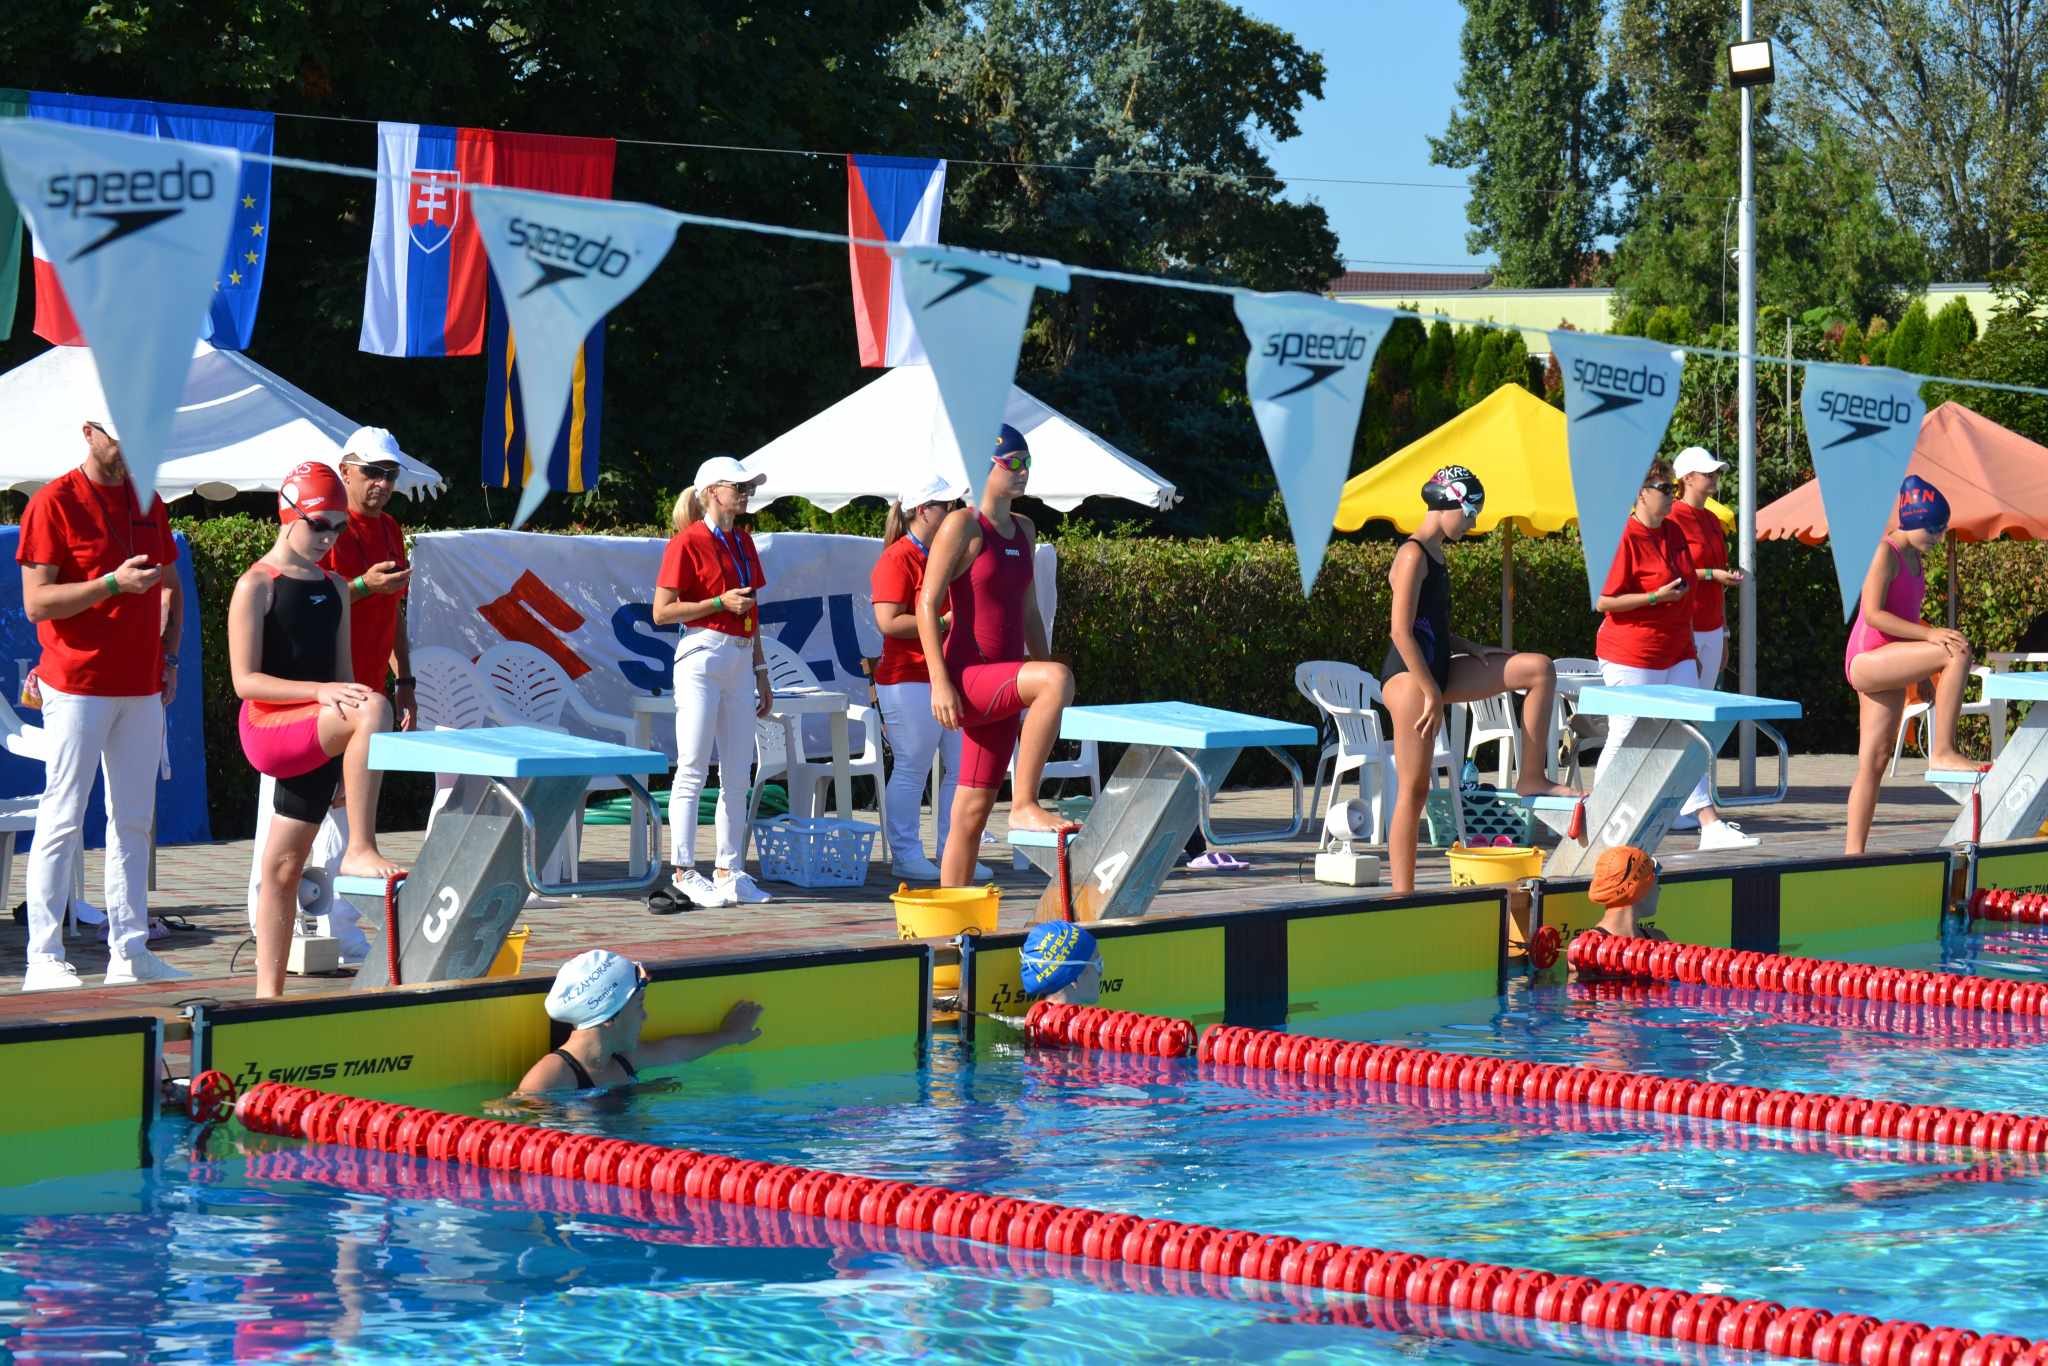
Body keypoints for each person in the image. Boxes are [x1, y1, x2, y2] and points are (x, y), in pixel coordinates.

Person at [16, 413, 188, 990]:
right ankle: (43, 956)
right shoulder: (54, 502)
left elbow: (170, 586)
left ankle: (130, 951)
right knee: (62, 815)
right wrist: (110, 584)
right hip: (75, 684)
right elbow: (37, 603)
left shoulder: (149, 500)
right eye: (121, 431)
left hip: (140, 686)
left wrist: (169, 658)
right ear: (89, 431)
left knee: (134, 821)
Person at [229, 462, 404, 998]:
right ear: (288, 515)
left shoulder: (333, 587)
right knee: (374, 706)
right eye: (319, 525)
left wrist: (348, 759)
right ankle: (360, 846)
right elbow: (245, 681)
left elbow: (345, 678)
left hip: (314, 729)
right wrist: (321, 693)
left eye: (338, 528)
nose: (329, 538)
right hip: (267, 725)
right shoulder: (257, 584)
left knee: (283, 869)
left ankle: (268, 997)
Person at [1380, 465, 1578, 894]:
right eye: (1470, 513)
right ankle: (1402, 895)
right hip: (1409, 677)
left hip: (1438, 669)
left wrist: (1468, 645)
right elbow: (1400, 632)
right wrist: (1430, 691)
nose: (1472, 523)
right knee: (1414, 790)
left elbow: (1429, 624)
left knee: (1538, 668)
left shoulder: (1435, 553)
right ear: (1447, 502)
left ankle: (1531, 776)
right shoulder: (1412, 554)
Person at [918, 425, 1076, 886]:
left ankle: (951, 915)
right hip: (969, 678)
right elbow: (927, 604)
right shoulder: (962, 525)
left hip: (1003, 681)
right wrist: (939, 682)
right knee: (1055, 679)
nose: (1023, 471)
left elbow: (1029, 611)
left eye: (1028, 462)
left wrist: (1048, 673)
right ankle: (1024, 804)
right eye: (1013, 463)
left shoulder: (1024, 529)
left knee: (970, 813)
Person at [1594, 458, 1758, 852]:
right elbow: (1604, 601)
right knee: (1626, 735)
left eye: (1672, 488)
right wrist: (1654, 597)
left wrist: (1690, 646)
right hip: (1631, 653)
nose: (1671, 495)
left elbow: (1687, 592)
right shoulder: (1625, 536)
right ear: (1640, 493)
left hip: (1676, 650)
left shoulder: (1673, 532)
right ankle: (1597, 819)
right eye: (1664, 488)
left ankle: (1709, 823)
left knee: (1689, 733)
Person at [650, 456, 775, 911]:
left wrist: (761, 671)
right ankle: (683, 871)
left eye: (748, 487)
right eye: (737, 486)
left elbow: (752, 610)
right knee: (692, 767)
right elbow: (661, 612)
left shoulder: (744, 540)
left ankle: (728, 869)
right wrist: (718, 603)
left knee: (738, 771)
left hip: (739, 659)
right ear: (710, 492)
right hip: (701, 654)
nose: (745, 494)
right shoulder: (686, 542)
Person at [1845, 475, 1975, 855]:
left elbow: (1905, 619)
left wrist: (1922, 673)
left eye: (1942, 528)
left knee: (1874, 761)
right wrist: (1929, 634)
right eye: (1933, 528)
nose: (1938, 536)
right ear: (1912, 521)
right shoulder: (1885, 552)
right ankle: (1943, 751)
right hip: (1867, 658)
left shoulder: (1915, 557)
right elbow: (1874, 614)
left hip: (1890, 660)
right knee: (1955, 650)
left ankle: (1852, 856)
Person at [871, 472, 989, 882]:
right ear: (923, 511)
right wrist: (942, 622)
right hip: (907, 677)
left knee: (961, 767)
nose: (955, 512)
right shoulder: (897, 558)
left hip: (948, 675)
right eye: (947, 506)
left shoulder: (945, 553)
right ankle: (905, 855)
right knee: (912, 765)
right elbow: (888, 622)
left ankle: (952, 850)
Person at [517, 949, 765, 1093]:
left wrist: (728, 1035)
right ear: (609, 1018)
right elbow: (520, 1110)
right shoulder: (554, 1074)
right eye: (639, 1006)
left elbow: (676, 1051)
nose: (645, 1017)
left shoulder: (622, 1059)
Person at [1666, 448, 1750, 832]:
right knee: (1685, 720)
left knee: (1698, 719)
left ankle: (1688, 803)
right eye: (1707, 472)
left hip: (1712, 625)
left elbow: (1718, 577)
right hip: (1685, 624)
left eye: (1715, 472)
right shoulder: (1673, 517)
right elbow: (1675, 574)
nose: (1714, 477)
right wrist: (1712, 574)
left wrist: (1726, 631)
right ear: (1687, 478)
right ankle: (1687, 805)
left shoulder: (1714, 519)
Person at [320, 428, 417, 730]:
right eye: (373, 471)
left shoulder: (390, 527)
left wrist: (404, 681)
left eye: (391, 474)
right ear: (345, 472)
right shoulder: (322, 527)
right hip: (328, 692)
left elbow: (392, 610)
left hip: (372, 693)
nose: (383, 483)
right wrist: (365, 585)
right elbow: (311, 605)